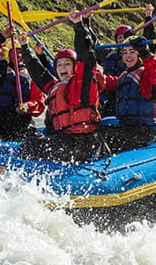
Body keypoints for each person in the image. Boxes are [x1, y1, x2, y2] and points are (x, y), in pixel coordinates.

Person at [17, 11, 106, 162]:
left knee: (31, 147)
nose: (62, 67)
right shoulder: (55, 86)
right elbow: (37, 71)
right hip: (66, 140)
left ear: (75, 67)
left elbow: (85, 54)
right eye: (59, 65)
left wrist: (79, 25)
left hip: (85, 142)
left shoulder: (83, 81)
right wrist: (25, 47)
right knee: (30, 139)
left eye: (67, 64)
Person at [101, 35, 156, 154]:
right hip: (127, 127)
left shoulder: (145, 74)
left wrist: (146, 54)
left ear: (139, 55)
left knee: (106, 137)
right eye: (124, 52)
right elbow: (105, 81)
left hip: (145, 131)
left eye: (132, 52)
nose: (128, 56)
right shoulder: (125, 75)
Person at [0, 26, 46, 141]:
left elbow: (39, 101)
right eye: (15, 53)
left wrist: (27, 106)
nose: (19, 56)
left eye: (21, 53)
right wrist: (1, 37)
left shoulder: (32, 75)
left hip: (21, 120)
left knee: (35, 138)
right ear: (8, 55)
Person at [96, 4, 156, 117]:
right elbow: (91, 45)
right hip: (111, 94)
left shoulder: (140, 55)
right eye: (119, 37)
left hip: (130, 93)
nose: (122, 39)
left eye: (124, 37)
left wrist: (148, 17)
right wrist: (84, 21)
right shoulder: (108, 53)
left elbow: (149, 44)